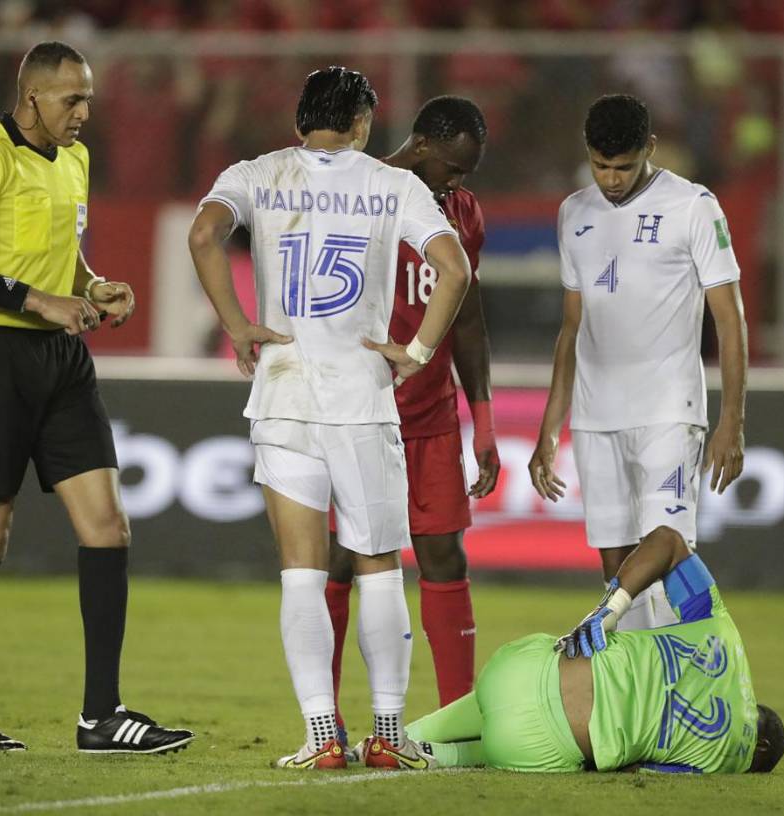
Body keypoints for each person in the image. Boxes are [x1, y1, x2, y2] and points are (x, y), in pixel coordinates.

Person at [188, 66, 472, 770]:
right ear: (363, 125)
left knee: (300, 574)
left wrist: (237, 326)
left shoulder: (256, 174)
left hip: (284, 396)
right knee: (379, 568)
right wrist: (417, 351)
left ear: (300, 121)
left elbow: (202, 236)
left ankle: (322, 736)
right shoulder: (392, 184)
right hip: (360, 398)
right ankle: (388, 734)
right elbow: (455, 269)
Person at [0, 40, 194, 755]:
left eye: (88, 99)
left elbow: (61, 254)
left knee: (108, 526)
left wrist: (91, 285)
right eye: (72, 99)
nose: (83, 112)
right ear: (32, 95)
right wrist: (38, 300)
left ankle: (101, 715)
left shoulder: (76, 159)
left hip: (61, 359)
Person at [529, 93, 748, 633]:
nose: (611, 179)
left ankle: (688, 665)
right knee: (617, 573)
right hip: (596, 414)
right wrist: (550, 428)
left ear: (649, 148)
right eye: (600, 165)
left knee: (668, 549)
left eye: (623, 167)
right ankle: (643, 679)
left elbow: (730, 319)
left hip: (668, 408)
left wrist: (732, 420)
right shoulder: (574, 212)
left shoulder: (693, 206)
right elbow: (572, 327)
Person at [326, 97, 499, 742]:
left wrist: (484, 422)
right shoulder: (360, 196)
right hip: (362, 413)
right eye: (451, 167)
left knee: (444, 556)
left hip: (431, 415)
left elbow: (469, 320)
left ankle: (458, 724)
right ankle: (326, 723)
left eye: (466, 173)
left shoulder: (463, 213)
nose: (456, 183)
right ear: (421, 145)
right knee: (341, 561)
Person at [404, 537, 784, 775]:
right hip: (532, 746)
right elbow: (639, 770)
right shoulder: (722, 761)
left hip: (515, 672)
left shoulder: (723, 632)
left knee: (489, 697)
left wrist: (611, 609)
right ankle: (441, 756)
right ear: (761, 748)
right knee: (531, 753)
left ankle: (402, 737)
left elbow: (668, 541)